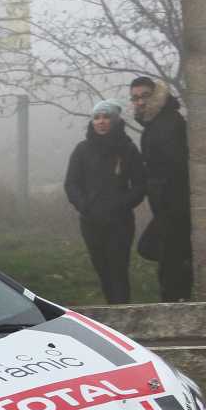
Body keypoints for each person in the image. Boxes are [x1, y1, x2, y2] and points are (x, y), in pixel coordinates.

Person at [64, 100, 147, 305]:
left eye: (106, 117)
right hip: (91, 222)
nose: (101, 122)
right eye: (97, 118)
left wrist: (120, 205)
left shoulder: (128, 149)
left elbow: (140, 185)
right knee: (102, 269)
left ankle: (122, 311)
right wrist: (84, 206)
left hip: (120, 222)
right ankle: (112, 310)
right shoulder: (82, 150)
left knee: (118, 269)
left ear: (115, 120)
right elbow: (71, 184)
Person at [131, 76, 193, 302]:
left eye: (145, 96)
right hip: (165, 206)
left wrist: (160, 193)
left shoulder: (168, 124)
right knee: (162, 254)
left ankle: (177, 303)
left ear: (156, 96)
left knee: (168, 261)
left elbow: (176, 167)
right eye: (135, 98)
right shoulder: (156, 124)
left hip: (174, 207)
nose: (140, 102)